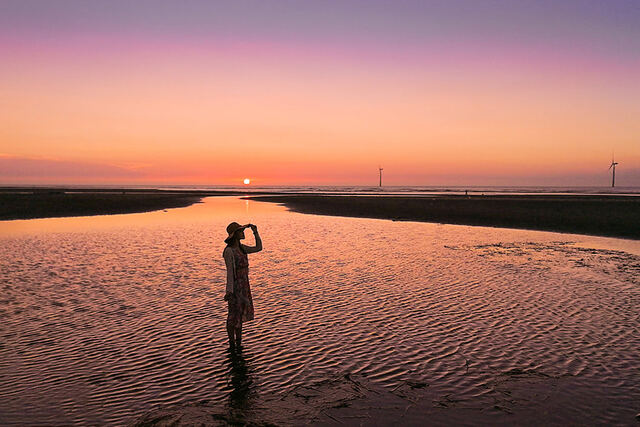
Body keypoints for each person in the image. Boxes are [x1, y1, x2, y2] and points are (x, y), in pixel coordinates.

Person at [223, 222, 262, 350]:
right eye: (241, 231)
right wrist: (229, 291)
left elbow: (258, 247)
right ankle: (231, 343)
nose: (243, 232)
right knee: (232, 315)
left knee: (239, 314)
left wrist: (255, 232)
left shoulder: (242, 248)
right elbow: (230, 272)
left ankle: (238, 342)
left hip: (244, 285)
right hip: (235, 287)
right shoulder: (229, 251)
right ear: (235, 235)